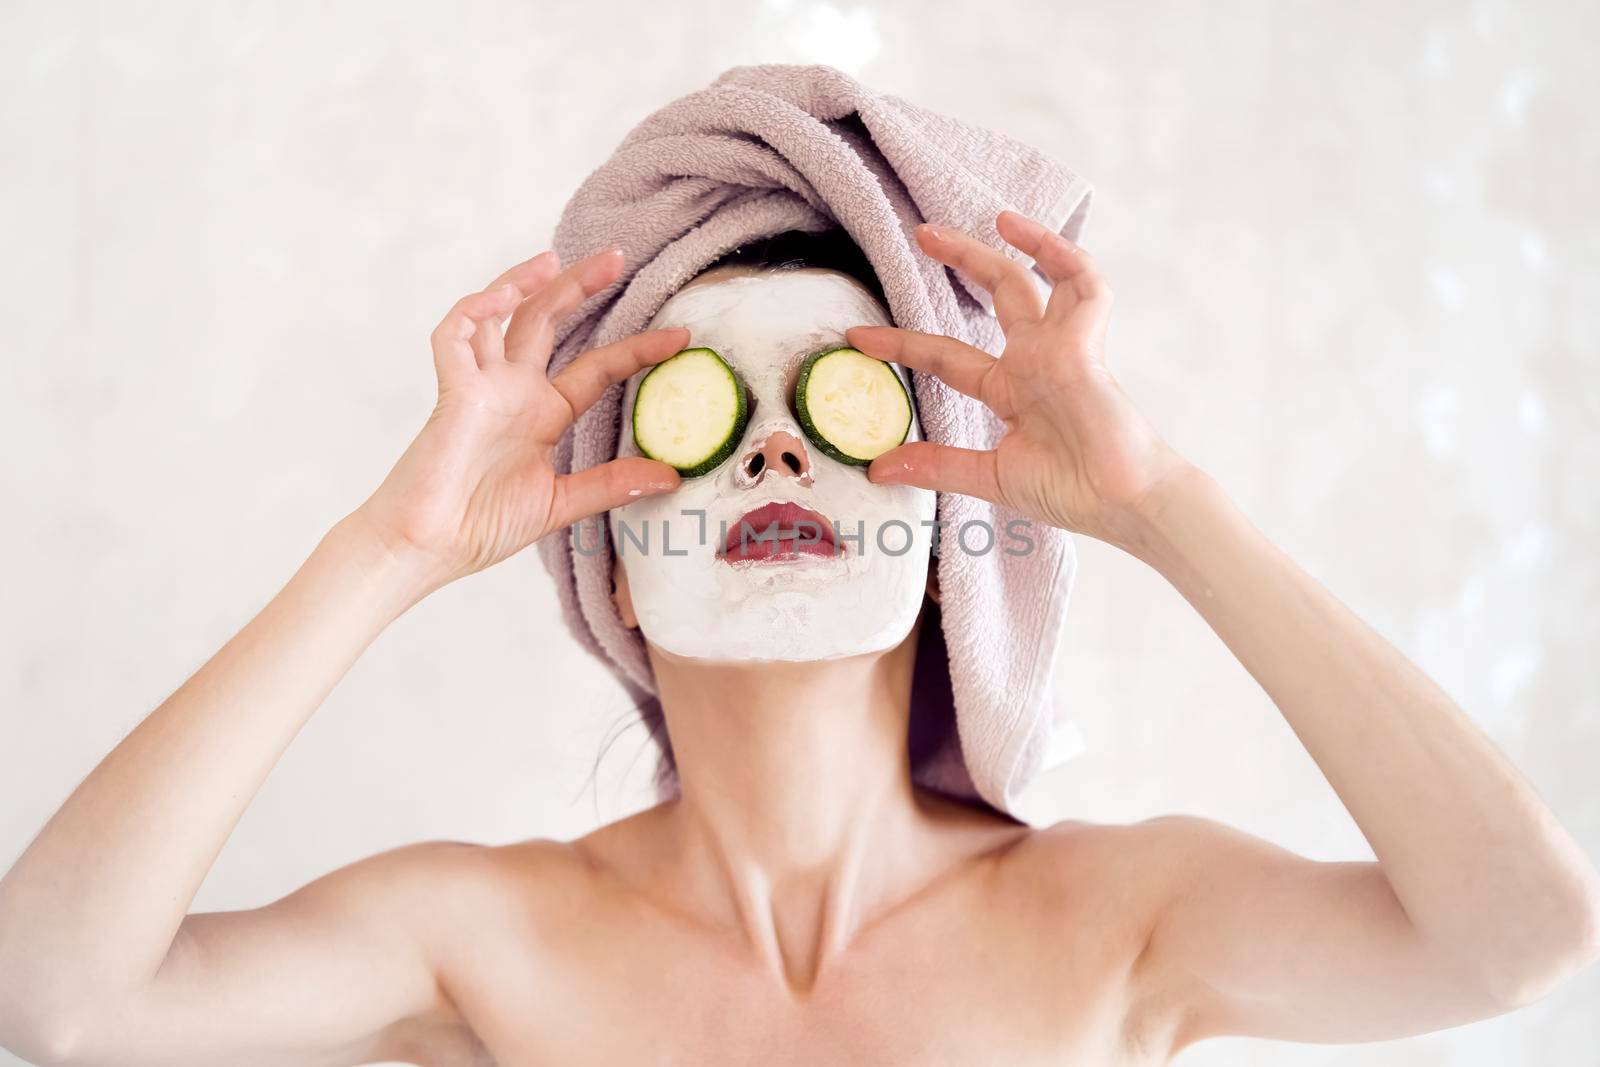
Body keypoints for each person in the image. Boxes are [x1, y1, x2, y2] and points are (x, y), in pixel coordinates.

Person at [1, 210, 1596, 1066]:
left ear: (941, 543)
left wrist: (1159, 500)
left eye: (840, 412)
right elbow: (52, 1001)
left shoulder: (1117, 917)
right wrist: (388, 551)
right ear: (606, 563)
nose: (771, 456)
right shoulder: (482, 939)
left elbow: (1523, 935)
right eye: (703, 421)